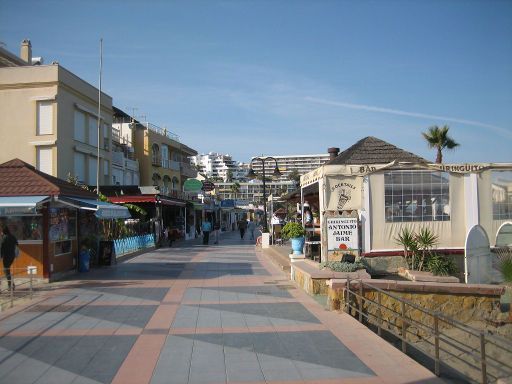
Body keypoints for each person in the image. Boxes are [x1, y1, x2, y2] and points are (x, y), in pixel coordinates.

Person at [1, 226, 18, 291]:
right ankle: (11, 284)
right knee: (7, 270)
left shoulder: (4, 238)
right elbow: (17, 243)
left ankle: (10, 285)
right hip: (12, 256)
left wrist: (1, 256)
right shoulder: (12, 236)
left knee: (6, 270)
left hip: (6, 256)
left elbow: (2, 247)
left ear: (4, 231)